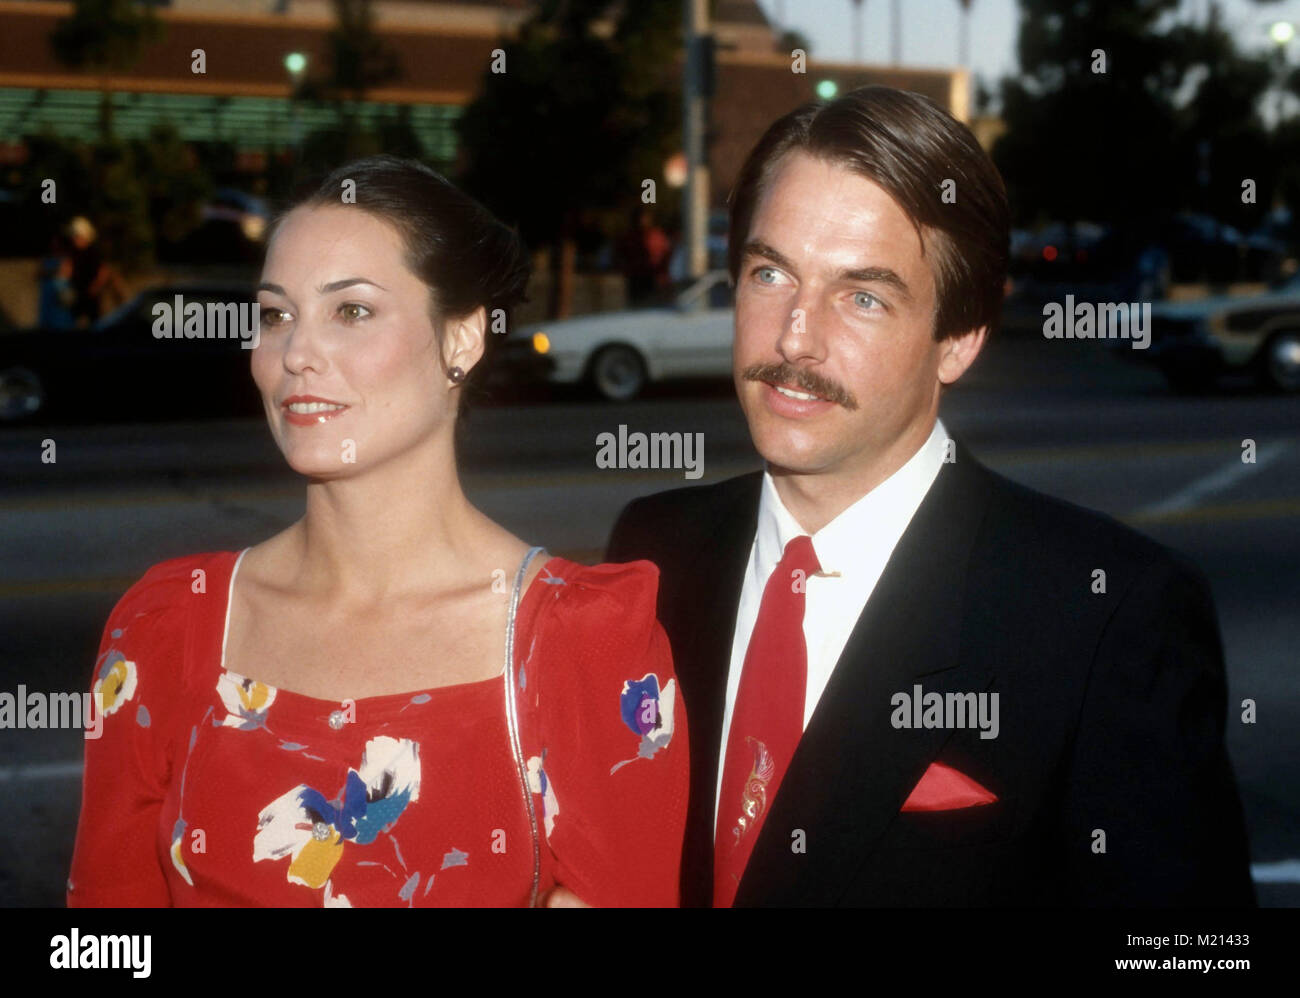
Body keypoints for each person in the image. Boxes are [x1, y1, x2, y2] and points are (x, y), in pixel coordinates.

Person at [604, 86, 1255, 907]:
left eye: (863, 296)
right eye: (771, 273)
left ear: (958, 340)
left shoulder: (1110, 620)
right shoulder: (653, 548)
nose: (795, 336)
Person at [67, 155, 688, 908]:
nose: (296, 353)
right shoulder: (164, 628)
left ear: (461, 340)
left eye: (351, 311)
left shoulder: (583, 648)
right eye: (275, 314)